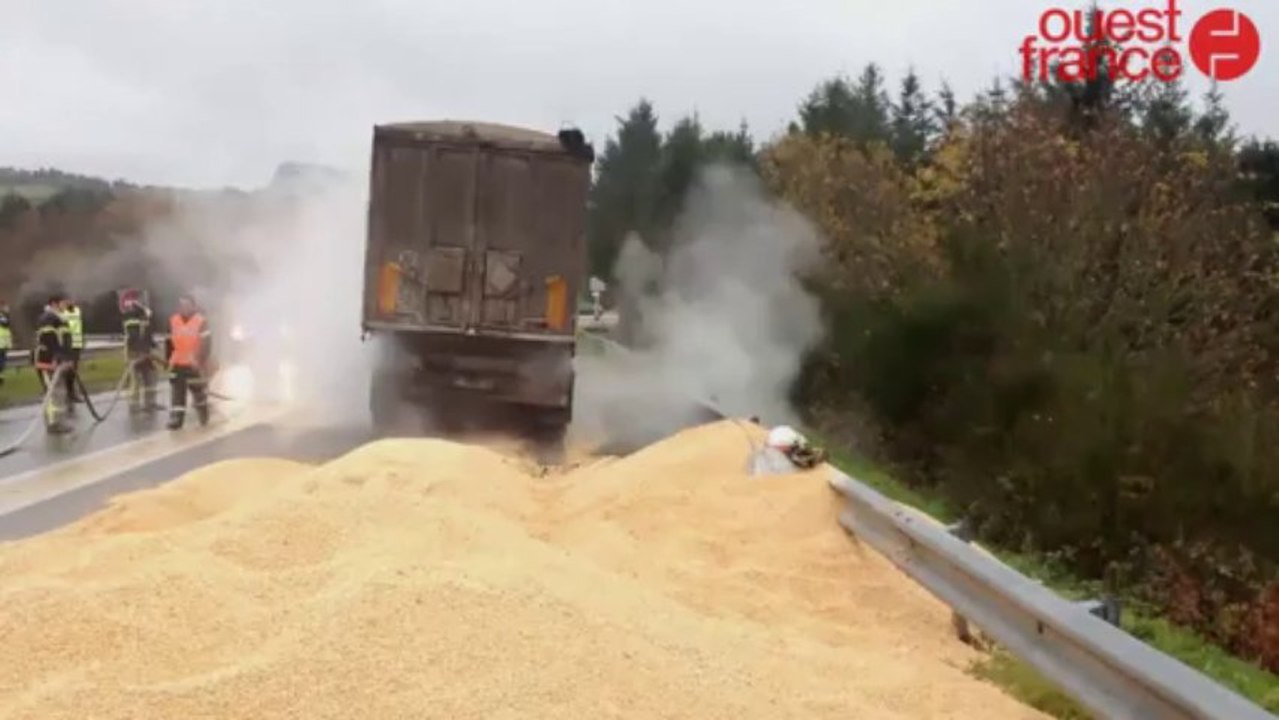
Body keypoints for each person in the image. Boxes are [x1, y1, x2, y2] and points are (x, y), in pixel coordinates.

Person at [165, 294, 213, 430]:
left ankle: (203, 413)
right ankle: (177, 419)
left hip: (194, 364)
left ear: (194, 306)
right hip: (177, 363)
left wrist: (200, 361)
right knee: (177, 392)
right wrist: (168, 361)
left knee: (198, 392)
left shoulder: (201, 321)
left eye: (187, 305)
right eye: (181, 305)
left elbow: (206, 344)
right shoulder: (173, 321)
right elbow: (169, 343)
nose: (184, 308)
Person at [33, 294, 72, 434]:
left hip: (54, 360)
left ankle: (57, 422)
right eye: (63, 303)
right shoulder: (48, 318)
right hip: (47, 360)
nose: (65, 306)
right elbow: (50, 341)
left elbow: (63, 341)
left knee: (58, 391)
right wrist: (58, 359)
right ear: (55, 304)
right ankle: (53, 423)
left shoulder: (57, 318)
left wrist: (66, 358)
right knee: (52, 392)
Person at [121, 291, 160, 411]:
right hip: (135, 352)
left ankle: (150, 403)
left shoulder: (144, 315)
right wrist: (140, 352)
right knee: (135, 379)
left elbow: (147, 333)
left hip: (145, 351)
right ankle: (134, 404)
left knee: (151, 375)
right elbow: (133, 336)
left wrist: (154, 345)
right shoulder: (131, 315)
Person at [59, 297, 85, 407]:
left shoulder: (76, 311)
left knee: (73, 370)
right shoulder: (61, 315)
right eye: (65, 301)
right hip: (67, 345)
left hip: (76, 344)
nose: (68, 303)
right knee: (68, 371)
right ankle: (70, 393)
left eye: (69, 301)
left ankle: (71, 393)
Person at [0, 300, 11, 387]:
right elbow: (5, 323)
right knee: (1, 361)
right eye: (4, 306)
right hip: (1, 343)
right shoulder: (2, 316)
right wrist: (6, 314)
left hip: (4, 343)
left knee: (3, 362)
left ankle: (1, 377)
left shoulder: (3, 315)